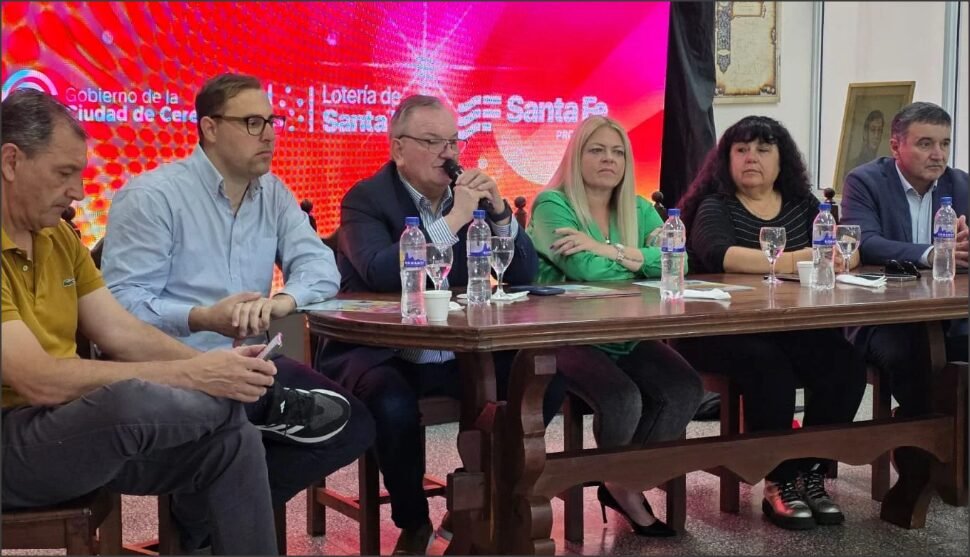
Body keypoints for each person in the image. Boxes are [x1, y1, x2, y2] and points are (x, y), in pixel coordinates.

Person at [1, 89, 282, 555]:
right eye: (64, 173)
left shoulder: (58, 239)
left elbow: (121, 332)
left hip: (67, 432)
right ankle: (267, 406)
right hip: (13, 442)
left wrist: (216, 372)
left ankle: (245, 407)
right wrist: (193, 374)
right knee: (130, 398)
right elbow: (40, 381)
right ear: (11, 161)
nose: (78, 191)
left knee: (234, 440)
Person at [100, 74, 375, 548]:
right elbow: (122, 307)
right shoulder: (152, 196)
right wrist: (204, 316)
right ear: (208, 128)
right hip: (169, 364)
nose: (268, 134)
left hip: (249, 360)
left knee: (353, 424)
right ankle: (216, 521)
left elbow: (319, 265)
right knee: (243, 424)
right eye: (252, 122)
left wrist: (281, 303)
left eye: (272, 121)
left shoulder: (273, 193)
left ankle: (199, 518)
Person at [315, 94, 566, 555]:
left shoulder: (469, 196)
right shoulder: (365, 199)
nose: (447, 154)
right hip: (382, 350)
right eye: (431, 142)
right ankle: (413, 522)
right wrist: (452, 220)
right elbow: (379, 272)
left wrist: (501, 216)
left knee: (545, 382)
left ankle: (480, 500)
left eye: (451, 141)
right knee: (391, 404)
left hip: (458, 348)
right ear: (398, 149)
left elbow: (524, 276)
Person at [673, 115, 867, 530]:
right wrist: (806, 257)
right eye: (741, 150)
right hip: (720, 331)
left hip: (789, 324)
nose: (751, 158)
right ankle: (779, 480)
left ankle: (807, 468)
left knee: (844, 364)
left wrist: (842, 257)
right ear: (726, 160)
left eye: (763, 150)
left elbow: (843, 248)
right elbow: (722, 255)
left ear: (783, 160)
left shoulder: (801, 205)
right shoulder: (715, 205)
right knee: (768, 366)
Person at [527, 116, 704, 536]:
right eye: (597, 150)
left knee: (685, 389)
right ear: (576, 156)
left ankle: (622, 480)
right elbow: (589, 270)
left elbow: (680, 262)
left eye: (618, 152)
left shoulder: (639, 207)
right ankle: (622, 486)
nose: (609, 159)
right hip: (565, 334)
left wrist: (609, 249)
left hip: (624, 331)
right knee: (622, 397)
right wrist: (635, 259)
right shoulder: (552, 204)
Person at [841, 101, 969, 417]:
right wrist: (933, 254)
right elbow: (866, 242)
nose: (938, 154)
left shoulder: (962, 184)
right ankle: (922, 449)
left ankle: (949, 448)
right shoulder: (865, 182)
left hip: (950, 314)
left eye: (945, 143)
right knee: (914, 358)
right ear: (896, 146)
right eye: (925, 144)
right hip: (884, 316)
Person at [848, 109, 885, 175]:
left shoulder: (882, 169)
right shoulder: (852, 166)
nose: (876, 136)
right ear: (865, 133)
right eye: (873, 130)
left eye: (879, 131)